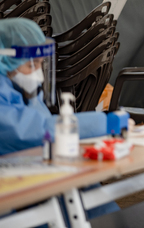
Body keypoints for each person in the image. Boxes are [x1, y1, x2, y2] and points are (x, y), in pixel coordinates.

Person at [0, 18, 107, 155]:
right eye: (31, 65)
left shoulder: (20, 86)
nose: (38, 73)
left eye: (40, 63)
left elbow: (43, 122)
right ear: (4, 60)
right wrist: (106, 123)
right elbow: (36, 130)